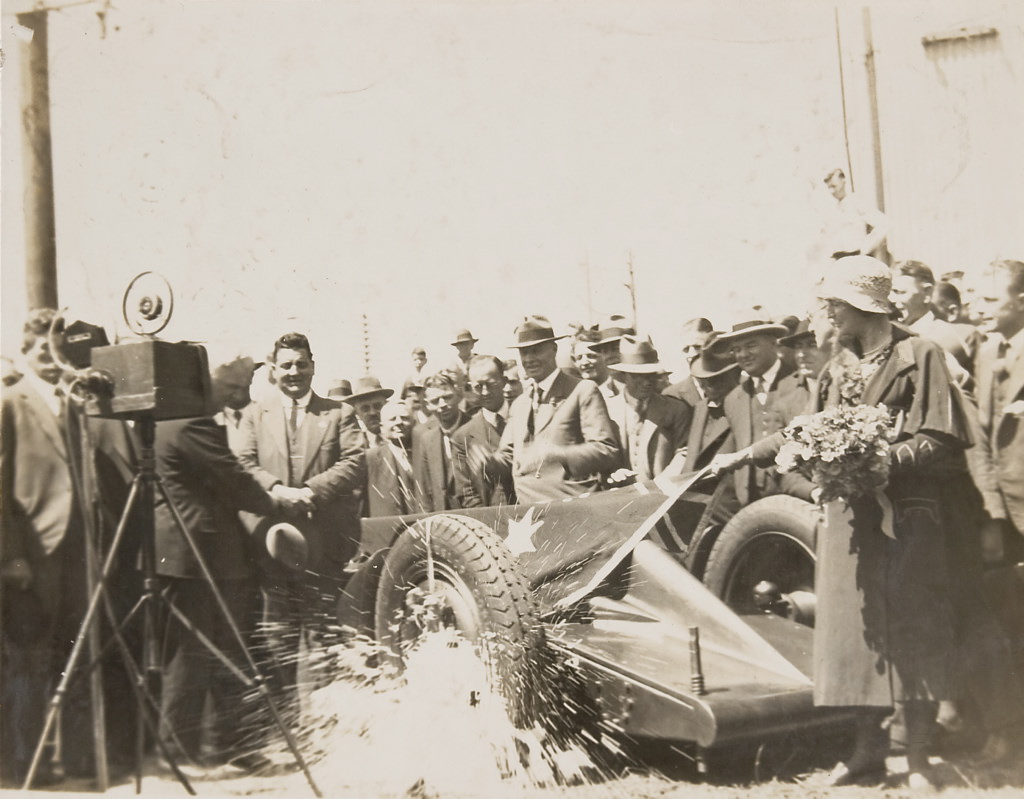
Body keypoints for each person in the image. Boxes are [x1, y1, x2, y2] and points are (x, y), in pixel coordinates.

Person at [712, 255, 975, 788]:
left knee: (915, 629)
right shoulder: (836, 369)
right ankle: (866, 753)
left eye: (834, 303)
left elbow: (943, 436)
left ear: (861, 306)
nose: (828, 312)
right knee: (856, 637)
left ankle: (919, 758)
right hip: (848, 520)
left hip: (907, 518)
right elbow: (807, 431)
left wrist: (886, 462)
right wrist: (746, 455)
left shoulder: (919, 355)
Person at [1, 309, 136, 784]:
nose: (50, 359)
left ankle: (78, 761)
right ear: (26, 351)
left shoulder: (74, 404)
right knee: (29, 660)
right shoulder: (10, 403)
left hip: (79, 551)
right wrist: (11, 555)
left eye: (57, 351)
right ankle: (23, 766)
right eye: (41, 350)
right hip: (32, 555)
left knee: (78, 655)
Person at [153, 359, 290, 771]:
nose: (245, 392)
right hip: (203, 559)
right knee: (201, 655)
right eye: (240, 385)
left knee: (207, 654)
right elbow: (232, 479)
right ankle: (182, 753)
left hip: (192, 558)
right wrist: (276, 499)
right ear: (220, 387)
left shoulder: (166, 421)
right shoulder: (193, 425)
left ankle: (222, 747)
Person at [236, 332, 365, 716]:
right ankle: (286, 722)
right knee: (277, 634)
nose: (294, 372)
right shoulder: (254, 414)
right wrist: (277, 491)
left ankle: (323, 722)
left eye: (301, 364)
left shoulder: (339, 413)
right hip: (272, 545)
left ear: (313, 365)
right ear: (274, 370)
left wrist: (310, 491)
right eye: (286, 365)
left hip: (325, 545)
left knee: (322, 633)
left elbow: (356, 462)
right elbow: (242, 463)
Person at [489, 316, 620, 504]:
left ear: (554, 349)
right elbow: (509, 456)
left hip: (572, 508)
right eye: (524, 353)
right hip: (529, 515)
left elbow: (606, 450)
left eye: (536, 351)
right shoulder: (520, 404)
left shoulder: (582, 390)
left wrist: (560, 454)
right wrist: (487, 462)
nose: (529, 359)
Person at [717, 319, 813, 506]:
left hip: (798, 499)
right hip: (751, 506)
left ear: (773, 343)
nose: (743, 354)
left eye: (751, 345)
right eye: (736, 349)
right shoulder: (734, 399)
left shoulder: (801, 381)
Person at [604, 336, 691, 483]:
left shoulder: (675, 409)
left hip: (665, 493)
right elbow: (601, 453)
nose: (646, 382)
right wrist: (614, 472)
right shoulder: (607, 410)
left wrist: (665, 481)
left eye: (650, 375)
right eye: (637, 376)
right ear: (624, 376)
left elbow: (685, 451)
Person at [892, 260, 980, 376]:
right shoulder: (891, 332)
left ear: (927, 292)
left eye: (901, 292)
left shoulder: (952, 336)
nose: (892, 299)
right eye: (891, 292)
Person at [451, 356, 516, 508]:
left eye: (491, 384)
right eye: (478, 386)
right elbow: (466, 493)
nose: (485, 392)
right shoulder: (462, 437)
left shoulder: (524, 417)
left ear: (504, 381)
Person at [679, 335, 740, 476]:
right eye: (703, 381)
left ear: (734, 375)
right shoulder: (701, 407)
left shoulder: (744, 406)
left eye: (716, 380)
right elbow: (691, 458)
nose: (708, 387)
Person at [412, 371, 470, 512]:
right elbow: (424, 492)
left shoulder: (475, 429)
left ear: (458, 395)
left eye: (447, 397)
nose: (442, 404)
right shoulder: (426, 439)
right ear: (427, 404)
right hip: (443, 520)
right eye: (435, 401)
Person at [821, 167, 888, 260]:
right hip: (837, 259)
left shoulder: (856, 202)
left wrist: (865, 248)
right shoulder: (831, 209)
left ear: (843, 181)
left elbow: (883, 223)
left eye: (834, 186)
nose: (831, 191)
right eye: (829, 188)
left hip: (855, 257)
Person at [365, 400, 417, 517]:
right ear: (382, 427)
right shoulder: (370, 459)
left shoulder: (426, 452)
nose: (399, 422)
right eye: (392, 419)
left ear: (414, 422)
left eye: (404, 418)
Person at [211, 355, 259, 454]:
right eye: (225, 384)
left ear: (250, 376)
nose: (230, 391)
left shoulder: (265, 415)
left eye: (236, 385)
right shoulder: (212, 420)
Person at [588, 315, 634, 399]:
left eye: (616, 349)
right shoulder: (599, 395)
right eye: (604, 351)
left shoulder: (651, 389)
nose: (609, 356)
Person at [342, 376, 394, 449]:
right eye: (365, 409)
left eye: (377, 406)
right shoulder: (353, 446)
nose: (372, 413)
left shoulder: (401, 438)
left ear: (386, 406)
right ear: (356, 413)